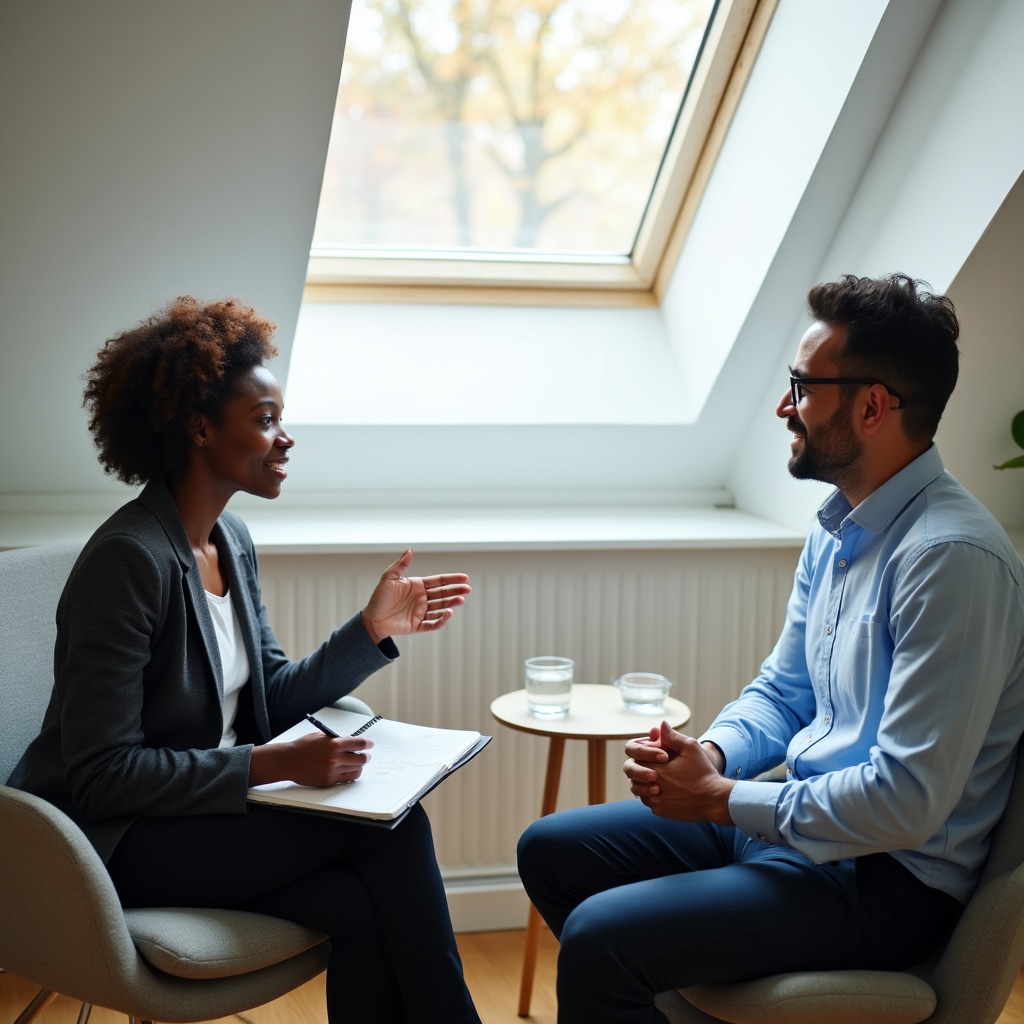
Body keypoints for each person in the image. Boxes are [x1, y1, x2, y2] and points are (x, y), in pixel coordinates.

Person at [517, 273, 1024, 1024]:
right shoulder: (840, 529)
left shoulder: (952, 560)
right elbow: (784, 691)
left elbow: (908, 802)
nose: (786, 406)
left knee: (599, 940)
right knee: (548, 850)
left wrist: (721, 801)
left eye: (802, 386)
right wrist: (713, 757)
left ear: (873, 405)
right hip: (797, 831)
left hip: (882, 881)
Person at [8, 296, 482, 1024]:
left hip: (202, 818)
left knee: (361, 905)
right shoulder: (129, 562)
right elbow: (103, 777)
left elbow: (266, 703)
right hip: (108, 845)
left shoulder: (229, 542)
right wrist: (277, 767)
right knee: (396, 829)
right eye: (265, 421)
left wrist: (370, 628)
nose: (285, 440)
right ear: (200, 428)